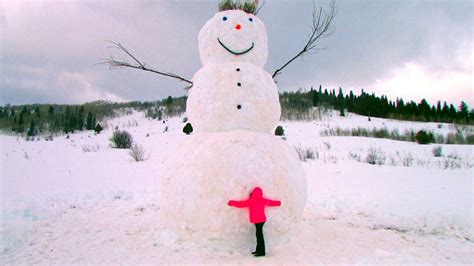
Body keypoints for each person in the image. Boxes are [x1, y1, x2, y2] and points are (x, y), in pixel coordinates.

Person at [227, 187, 281, 257]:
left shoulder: (251, 201)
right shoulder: (262, 200)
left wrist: (232, 203)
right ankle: (258, 250)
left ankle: (261, 252)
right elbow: (271, 202)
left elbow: (241, 204)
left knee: (259, 236)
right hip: (261, 220)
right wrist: (279, 203)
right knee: (259, 235)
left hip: (258, 221)